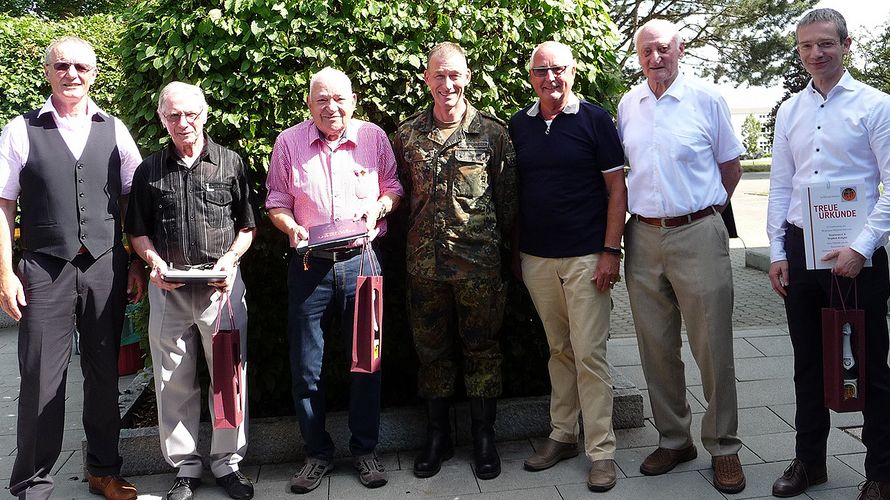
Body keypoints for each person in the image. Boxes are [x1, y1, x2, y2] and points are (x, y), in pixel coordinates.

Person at [0, 36, 144, 500]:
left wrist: (135, 260)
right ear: (48, 71)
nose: (72, 74)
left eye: (82, 66)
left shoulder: (115, 128)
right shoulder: (21, 130)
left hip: (106, 264)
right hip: (44, 267)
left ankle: (104, 470)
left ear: (94, 73)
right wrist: (5, 273)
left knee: (106, 373)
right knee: (41, 377)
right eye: (62, 65)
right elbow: (3, 205)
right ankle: (32, 485)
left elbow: (130, 198)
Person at [616, 19, 746, 494]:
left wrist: (704, 213)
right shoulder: (629, 103)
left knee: (712, 346)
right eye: (648, 49)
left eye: (665, 48)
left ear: (680, 49)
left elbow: (730, 168)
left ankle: (725, 447)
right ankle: (674, 439)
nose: (656, 57)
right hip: (643, 236)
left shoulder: (707, 100)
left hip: (697, 232)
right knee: (655, 346)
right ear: (638, 54)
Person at [767, 8, 890, 499]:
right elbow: (780, 187)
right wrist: (777, 251)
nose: (815, 54)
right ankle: (810, 462)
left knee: (871, 369)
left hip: (856, 258)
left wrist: (861, 248)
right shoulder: (790, 111)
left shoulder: (876, 105)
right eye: (805, 46)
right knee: (808, 365)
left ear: (846, 44)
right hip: (802, 253)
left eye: (825, 44)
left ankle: (881, 473)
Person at [265, 67, 403, 494]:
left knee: (367, 359)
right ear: (309, 104)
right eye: (322, 99)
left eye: (339, 98)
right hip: (310, 267)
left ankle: (366, 450)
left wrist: (380, 207)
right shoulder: (288, 143)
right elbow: (276, 200)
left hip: (364, 262)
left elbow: (393, 186)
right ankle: (316, 454)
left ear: (353, 100)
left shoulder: (374, 139)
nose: (332, 107)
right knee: (306, 367)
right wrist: (290, 226)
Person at [125, 81, 256, 500]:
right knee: (172, 381)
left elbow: (247, 226)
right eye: (173, 115)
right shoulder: (149, 171)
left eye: (191, 113)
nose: (184, 122)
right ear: (163, 120)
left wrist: (230, 260)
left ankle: (228, 464)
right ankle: (186, 466)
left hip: (222, 288)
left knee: (229, 378)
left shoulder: (231, 163)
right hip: (169, 289)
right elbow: (137, 232)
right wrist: (154, 264)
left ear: (205, 113)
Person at [393, 42, 516, 481]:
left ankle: (484, 438)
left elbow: (508, 204)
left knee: (483, 350)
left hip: (479, 268)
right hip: (424, 267)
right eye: (439, 76)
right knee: (432, 353)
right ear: (427, 78)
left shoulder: (494, 134)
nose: (448, 84)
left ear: (467, 77)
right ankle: (437, 436)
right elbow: (399, 198)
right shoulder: (406, 135)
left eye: (455, 75)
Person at [509, 40, 626, 492]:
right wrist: (517, 254)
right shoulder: (520, 125)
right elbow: (516, 195)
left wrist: (610, 252)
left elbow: (617, 190)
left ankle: (602, 452)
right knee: (559, 349)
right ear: (531, 76)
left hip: (586, 257)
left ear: (572, 72)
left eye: (558, 69)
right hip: (537, 259)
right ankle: (563, 435)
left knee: (590, 354)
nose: (550, 78)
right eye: (541, 71)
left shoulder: (596, 120)